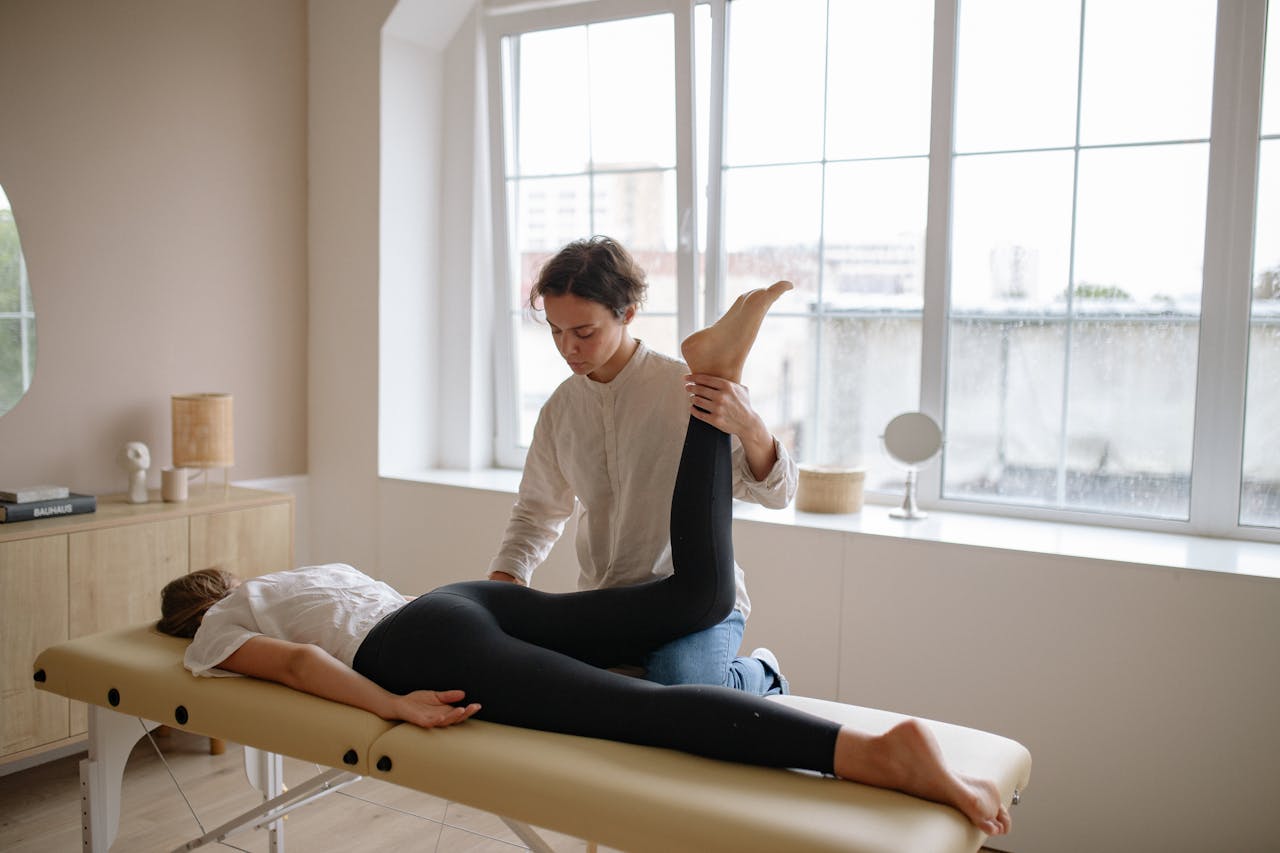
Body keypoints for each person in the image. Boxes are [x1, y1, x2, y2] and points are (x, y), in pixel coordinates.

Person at [157, 292, 1011, 837]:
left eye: (582, 327)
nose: (569, 344)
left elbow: (303, 666)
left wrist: (393, 706)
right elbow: (520, 522)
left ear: (196, 617)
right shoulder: (305, 574)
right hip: (458, 603)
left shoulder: (221, 631)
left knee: (644, 714)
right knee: (697, 591)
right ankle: (720, 379)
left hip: (422, 650)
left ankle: (878, 751)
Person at [487, 235, 797, 695]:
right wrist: (504, 584)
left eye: (584, 332)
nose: (567, 347)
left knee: (680, 686)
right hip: (607, 603)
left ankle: (762, 674)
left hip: (695, 602)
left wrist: (750, 425)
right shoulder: (560, 410)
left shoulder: (688, 388)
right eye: (555, 331)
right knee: (538, 679)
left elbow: (777, 494)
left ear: (627, 313)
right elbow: (537, 511)